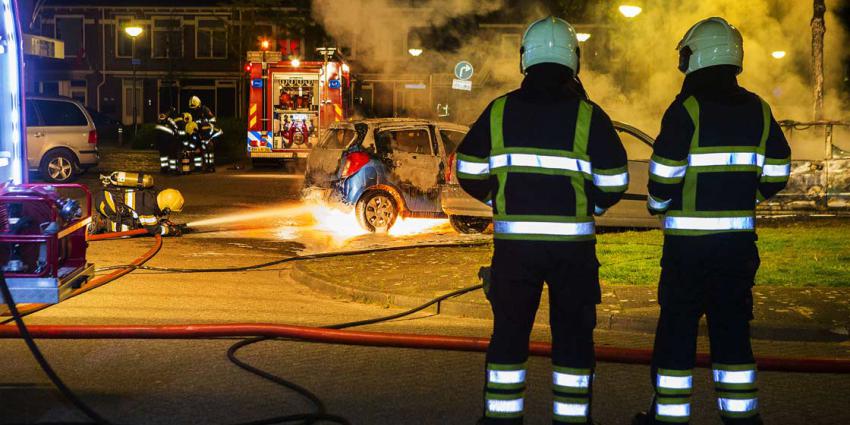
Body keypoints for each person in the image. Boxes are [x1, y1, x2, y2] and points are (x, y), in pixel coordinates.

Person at [456, 16, 628, 425]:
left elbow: (467, 167)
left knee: (509, 337)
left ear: (525, 59)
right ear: (574, 60)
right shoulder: (588, 115)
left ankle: (501, 418)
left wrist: (499, 197)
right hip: (573, 254)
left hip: (515, 253)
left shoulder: (499, 110)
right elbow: (616, 179)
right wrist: (590, 205)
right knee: (573, 341)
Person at [632, 17, 791, 425]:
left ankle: (667, 418)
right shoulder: (759, 109)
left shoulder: (686, 109)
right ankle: (742, 418)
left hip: (687, 254)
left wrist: (657, 203)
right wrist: (744, 196)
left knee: (676, 337)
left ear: (698, 56)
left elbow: (663, 174)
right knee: (733, 336)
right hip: (736, 252)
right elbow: (778, 171)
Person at [94, 173, 186, 236]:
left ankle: (105, 218)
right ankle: (103, 224)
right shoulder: (148, 207)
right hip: (104, 202)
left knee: (136, 218)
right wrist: (169, 230)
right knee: (133, 227)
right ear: (166, 208)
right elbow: (153, 229)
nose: (167, 213)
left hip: (105, 194)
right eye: (169, 211)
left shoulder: (153, 193)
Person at [188, 96, 218, 171]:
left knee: (208, 149)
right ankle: (198, 167)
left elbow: (213, 120)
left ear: (198, 104)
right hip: (197, 133)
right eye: (192, 107)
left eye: (195, 107)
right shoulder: (192, 112)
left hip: (206, 133)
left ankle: (210, 166)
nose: (194, 109)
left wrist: (203, 123)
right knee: (197, 149)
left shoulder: (205, 110)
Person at [155, 107, 183, 174]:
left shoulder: (159, 121)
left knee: (163, 156)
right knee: (172, 156)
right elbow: (176, 128)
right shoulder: (170, 120)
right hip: (170, 142)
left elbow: (156, 132)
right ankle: (173, 169)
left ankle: (164, 169)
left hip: (162, 142)